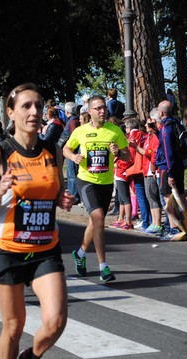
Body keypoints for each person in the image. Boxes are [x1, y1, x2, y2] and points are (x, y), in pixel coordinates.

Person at [0, 83, 74, 359]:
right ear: (10, 112)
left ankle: (32, 357)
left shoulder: (52, 151)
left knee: (56, 321)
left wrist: (61, 199)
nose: (34, 112)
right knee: (14, 327)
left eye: (38, 106)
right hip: (7, 251)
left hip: (44, 249)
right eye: (26, 106)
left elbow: (53, 192)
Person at [63, 95, 130, 282]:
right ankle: (104, 267)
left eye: (104, 108)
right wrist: (73, 157)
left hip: (106, 182)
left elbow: (127, 157)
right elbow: (66, 149)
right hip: (86, 180)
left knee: (95, 222)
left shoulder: (114, 130)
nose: (102, 111)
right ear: (90, 111)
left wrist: (118, 152)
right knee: (99, 218)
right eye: (98, 108)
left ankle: (80, 253)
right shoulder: (80, 131)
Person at [155, 100, 187, 241]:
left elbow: (168, 153)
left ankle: (173, 228)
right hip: (179, 165)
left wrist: (170, 173)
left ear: (162, 112)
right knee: (180, 196)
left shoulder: (166, 129)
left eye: (158, 110)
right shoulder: (177, 124)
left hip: (167, 167)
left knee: (168, 199)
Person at [135, 114, 162, 234]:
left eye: (148, 123)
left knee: (153, 197)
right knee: (150, 197)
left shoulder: (155, 137)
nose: (145, 125)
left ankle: (157, 224)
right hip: (146, 170)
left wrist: (153, 166)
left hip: (151, 171)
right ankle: (154, 222)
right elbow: (146, 152)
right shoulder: (148, 138)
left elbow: (152, 154)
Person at [57, 101, 81, 203]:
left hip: (72, 151)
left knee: (72, 175)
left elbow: (73, 136)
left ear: (67, 111)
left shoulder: (72, 121)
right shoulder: (73, 120)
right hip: (71, 150)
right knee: (72, 174)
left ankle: (73, 196)